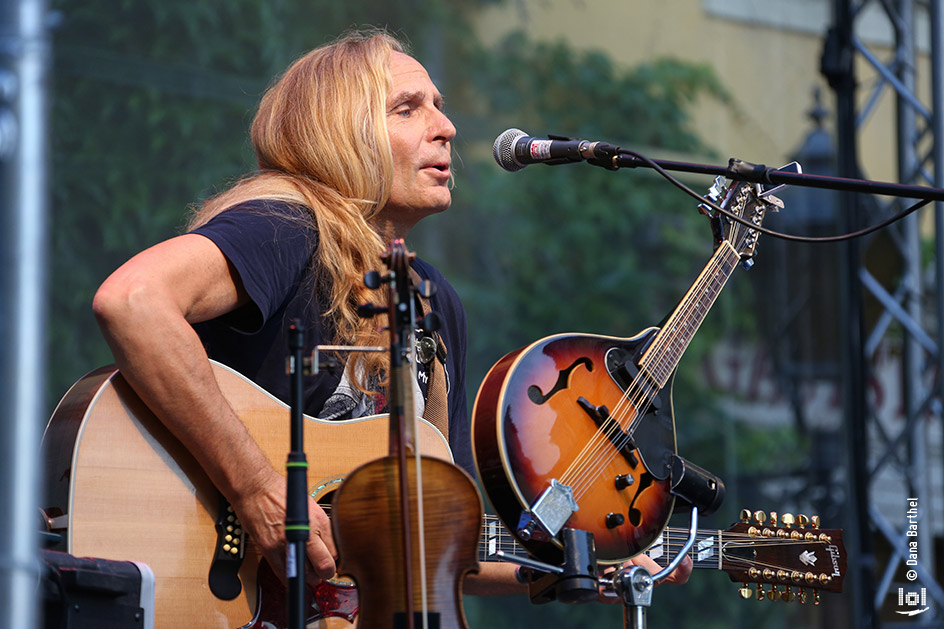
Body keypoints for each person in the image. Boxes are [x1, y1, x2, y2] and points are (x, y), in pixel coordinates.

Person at [92, 29, 689, 603]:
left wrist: (579, 566)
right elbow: (133, 301)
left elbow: (436, 541)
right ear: (337, 135)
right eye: (407, 109)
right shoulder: (285, 228)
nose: (446, 127)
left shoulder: (433, 302)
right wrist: (257, 490)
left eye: (439, 105)